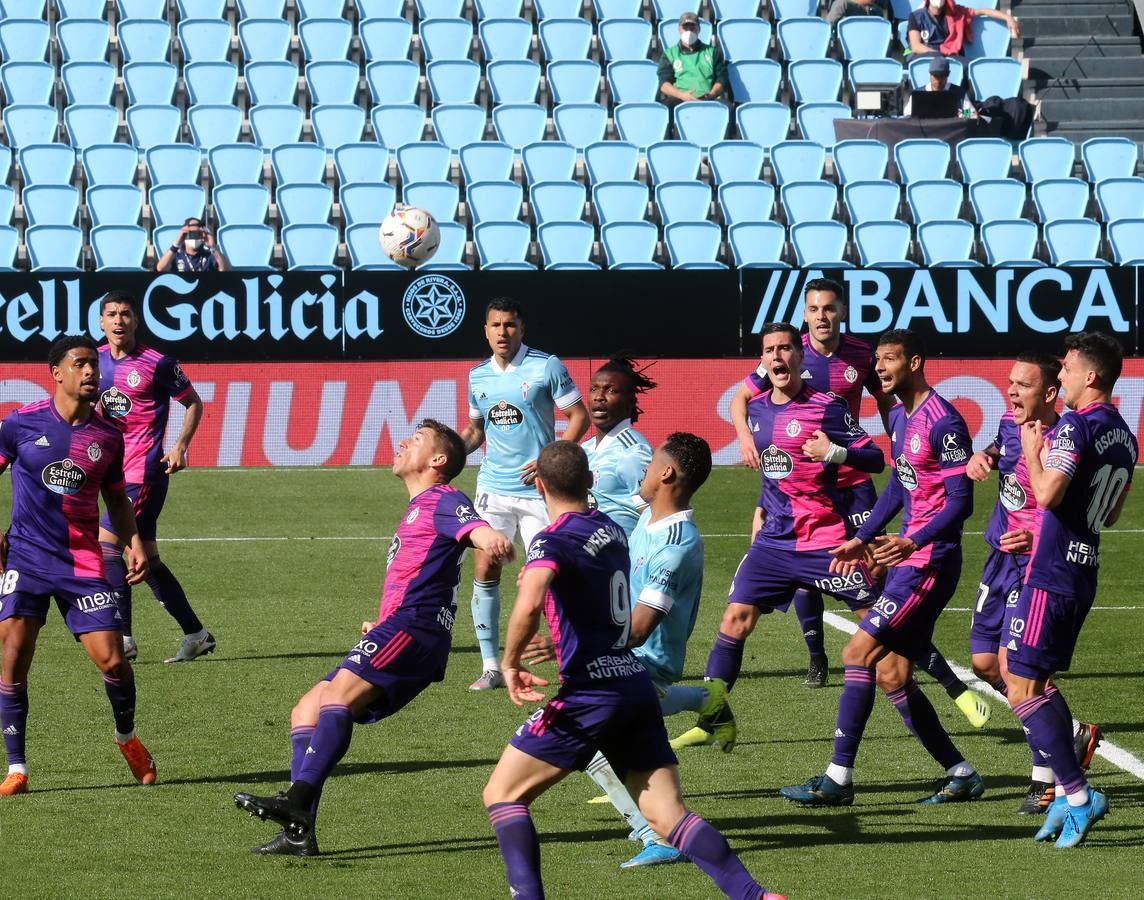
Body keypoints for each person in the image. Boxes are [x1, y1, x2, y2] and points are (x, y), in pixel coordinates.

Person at [482, 441, 782, 900]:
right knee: (668, 816)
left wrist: (509, 661)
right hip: (632, 685)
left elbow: (529, 601)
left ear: (538, 483)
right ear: (590, 481)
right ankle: (754, 895)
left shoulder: (552, 539)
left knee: (502, 794)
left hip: (590, 694)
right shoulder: (613, 530)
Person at [233, 420, 514, 855]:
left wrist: (492, 538)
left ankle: (298, 802)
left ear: (438, 461)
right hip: (399, 625)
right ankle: (298, 833)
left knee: (336, 699)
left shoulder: (444, 497)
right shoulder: (419, 507)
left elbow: (476, 530)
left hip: (415, 628)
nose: (403, 443)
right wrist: (381, 622)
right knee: (306, 709)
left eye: (416, 440)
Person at [782, 328, 983, 807]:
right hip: (906, 559)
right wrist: (862, 538)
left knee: (856, 654)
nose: (881, 368)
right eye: (878, 360)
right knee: (892, 673)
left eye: (890, 359)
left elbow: (962, 503)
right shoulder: (897, 415)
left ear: (914, 363)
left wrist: (912, 539)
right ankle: (961, 772)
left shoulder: (944, 421)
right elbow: (900, 484)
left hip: (929, 563)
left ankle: (837, 779)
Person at [672, 323, 887, 755]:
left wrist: (834, 452)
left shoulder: (827, 407)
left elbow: (876, 458)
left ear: (799, 356)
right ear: (763, 359)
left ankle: (937, 685)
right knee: (735, 620)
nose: (777, 357)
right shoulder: (757, 409)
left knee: (878, 622)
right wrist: (758, 502)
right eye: (769, 350)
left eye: (785, 348)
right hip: (772, 542)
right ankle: (712, 718)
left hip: (823, 541)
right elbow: (777, 472)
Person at [529, 433, 721, 869]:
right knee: (607, 744)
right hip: (618, 661)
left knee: (589, 742)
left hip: (645, 661)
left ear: (667, 473)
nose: (645, 470)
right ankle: (706, 701)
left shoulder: (677, 545)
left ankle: (656, 834)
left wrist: (566, 643)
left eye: (652, 463)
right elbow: (591, 507)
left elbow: (638, 628)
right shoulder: (646, 518)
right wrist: (553, 481)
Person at [0, 335, 156, 796]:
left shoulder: (108, 434)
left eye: (93, 364)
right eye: (81, 364)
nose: (91, 372)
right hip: (26, 558)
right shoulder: (19, 424)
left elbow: (115, 496)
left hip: (83, 561)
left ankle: (127, 738)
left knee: (112, 658)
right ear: (58, 373)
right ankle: (18, 768)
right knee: (12, 661)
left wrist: (134, 542)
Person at [729, 278, 895, 689]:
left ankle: (881, 649)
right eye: (815, 309)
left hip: (852, 476)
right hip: (801, 481)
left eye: (829, 308)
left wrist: (900, 438)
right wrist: (746, 439)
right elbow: (740, 398)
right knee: (802, 565)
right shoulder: (787, 351)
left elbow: (887, 399)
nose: (822, 316)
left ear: (842, 312)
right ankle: (817, 655)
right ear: (806, 315)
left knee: (875, 564)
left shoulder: (861, 353)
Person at [1005, 333, 1135, 849]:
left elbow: (1045, 493)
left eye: (1068, 368)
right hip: (1084, 571)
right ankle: (1065, 790)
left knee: (1021, 685)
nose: (1060, 375)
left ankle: (1078, 796)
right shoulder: (1126, 436)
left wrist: (1035, 451)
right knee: (1035, 682)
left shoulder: (1076, 426)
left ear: (1092, 377)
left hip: (1052, 572)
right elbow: (1114, 511)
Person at [966, 353, 1103, 816]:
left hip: (1037, 566)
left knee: (1019, 670)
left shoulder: (1066, 437)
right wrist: (982, 457)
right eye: (1009, 383)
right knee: (985, 661)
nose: (1011, 392)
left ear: (1048, 393)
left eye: (1022, 386)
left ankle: (1046, 773)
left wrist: (1035, 536)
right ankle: (1068, 735)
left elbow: (1070, 511)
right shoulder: (1011, 424)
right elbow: (996, 446)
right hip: (999, 556)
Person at [460, 298, 588, 691]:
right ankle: (491, 666)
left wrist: (552, 458)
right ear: (485, 329)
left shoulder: (545, 365)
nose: (503, 332)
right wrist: (450, 453)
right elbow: (476, 431)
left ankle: (570, 659)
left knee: (550, 575)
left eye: (510, 325)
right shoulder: (477, 376)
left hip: (538, 492)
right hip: (494, 488)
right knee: (486, 568)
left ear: (522, 328)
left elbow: (578, 416)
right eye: (496, 325)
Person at [97, 291, 214, 664]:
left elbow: (193, 401)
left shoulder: (157, 363)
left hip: (144, 471)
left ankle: (123, 638)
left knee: (107, 546)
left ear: (136, 321)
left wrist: (180, 445)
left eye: (126, 314)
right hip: (113, 474)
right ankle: (196, 634)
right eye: (112, 314)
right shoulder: (93, 363)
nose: (119, 321)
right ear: (101, 322)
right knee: (146, 558)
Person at [583, 356, 655, 537]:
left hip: (623, 559)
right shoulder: (585, 449)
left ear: (630, 402)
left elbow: (655, 515)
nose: (599, 397)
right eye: (593, 389)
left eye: (611, 390)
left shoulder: (633, 452)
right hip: (591, 557)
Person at [657, 12, 728, 108]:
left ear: (699, 29)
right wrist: (682, 95)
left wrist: (712, 94)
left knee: (728, 108)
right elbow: (664, 84)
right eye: (685, 28)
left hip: (709, 98)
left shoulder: (712, 52)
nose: (689, 32)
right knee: (665, 108)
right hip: (679, 99)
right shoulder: (670, 54)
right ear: (679, 29)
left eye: (692, 28)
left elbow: (722, 78)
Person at [907, 0, 1019, 58]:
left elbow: (983, 11)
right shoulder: (916, 16)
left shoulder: (957, 13)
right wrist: (939, 55)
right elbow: (916, 46)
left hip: (952, 55)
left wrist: (1007, 18)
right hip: (928, 56)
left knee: (969, 67)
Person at [902, 55, 975, 117]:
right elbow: (907, 114)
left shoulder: (959, 93)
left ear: (948, 74)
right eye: (935, 76)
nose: (938, 80)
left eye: (942, 76)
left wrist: (960, 114)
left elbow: (973, 114)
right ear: (930, 75)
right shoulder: (918, 94)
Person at [155, 216, 230, 273]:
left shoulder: (209, 255)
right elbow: (161, 269)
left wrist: (213, 247)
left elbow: (226, 270)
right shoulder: (176, 255)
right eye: (191, 233)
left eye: (198, 233)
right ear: (184, 235)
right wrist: (176, 244)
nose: (194, 237)